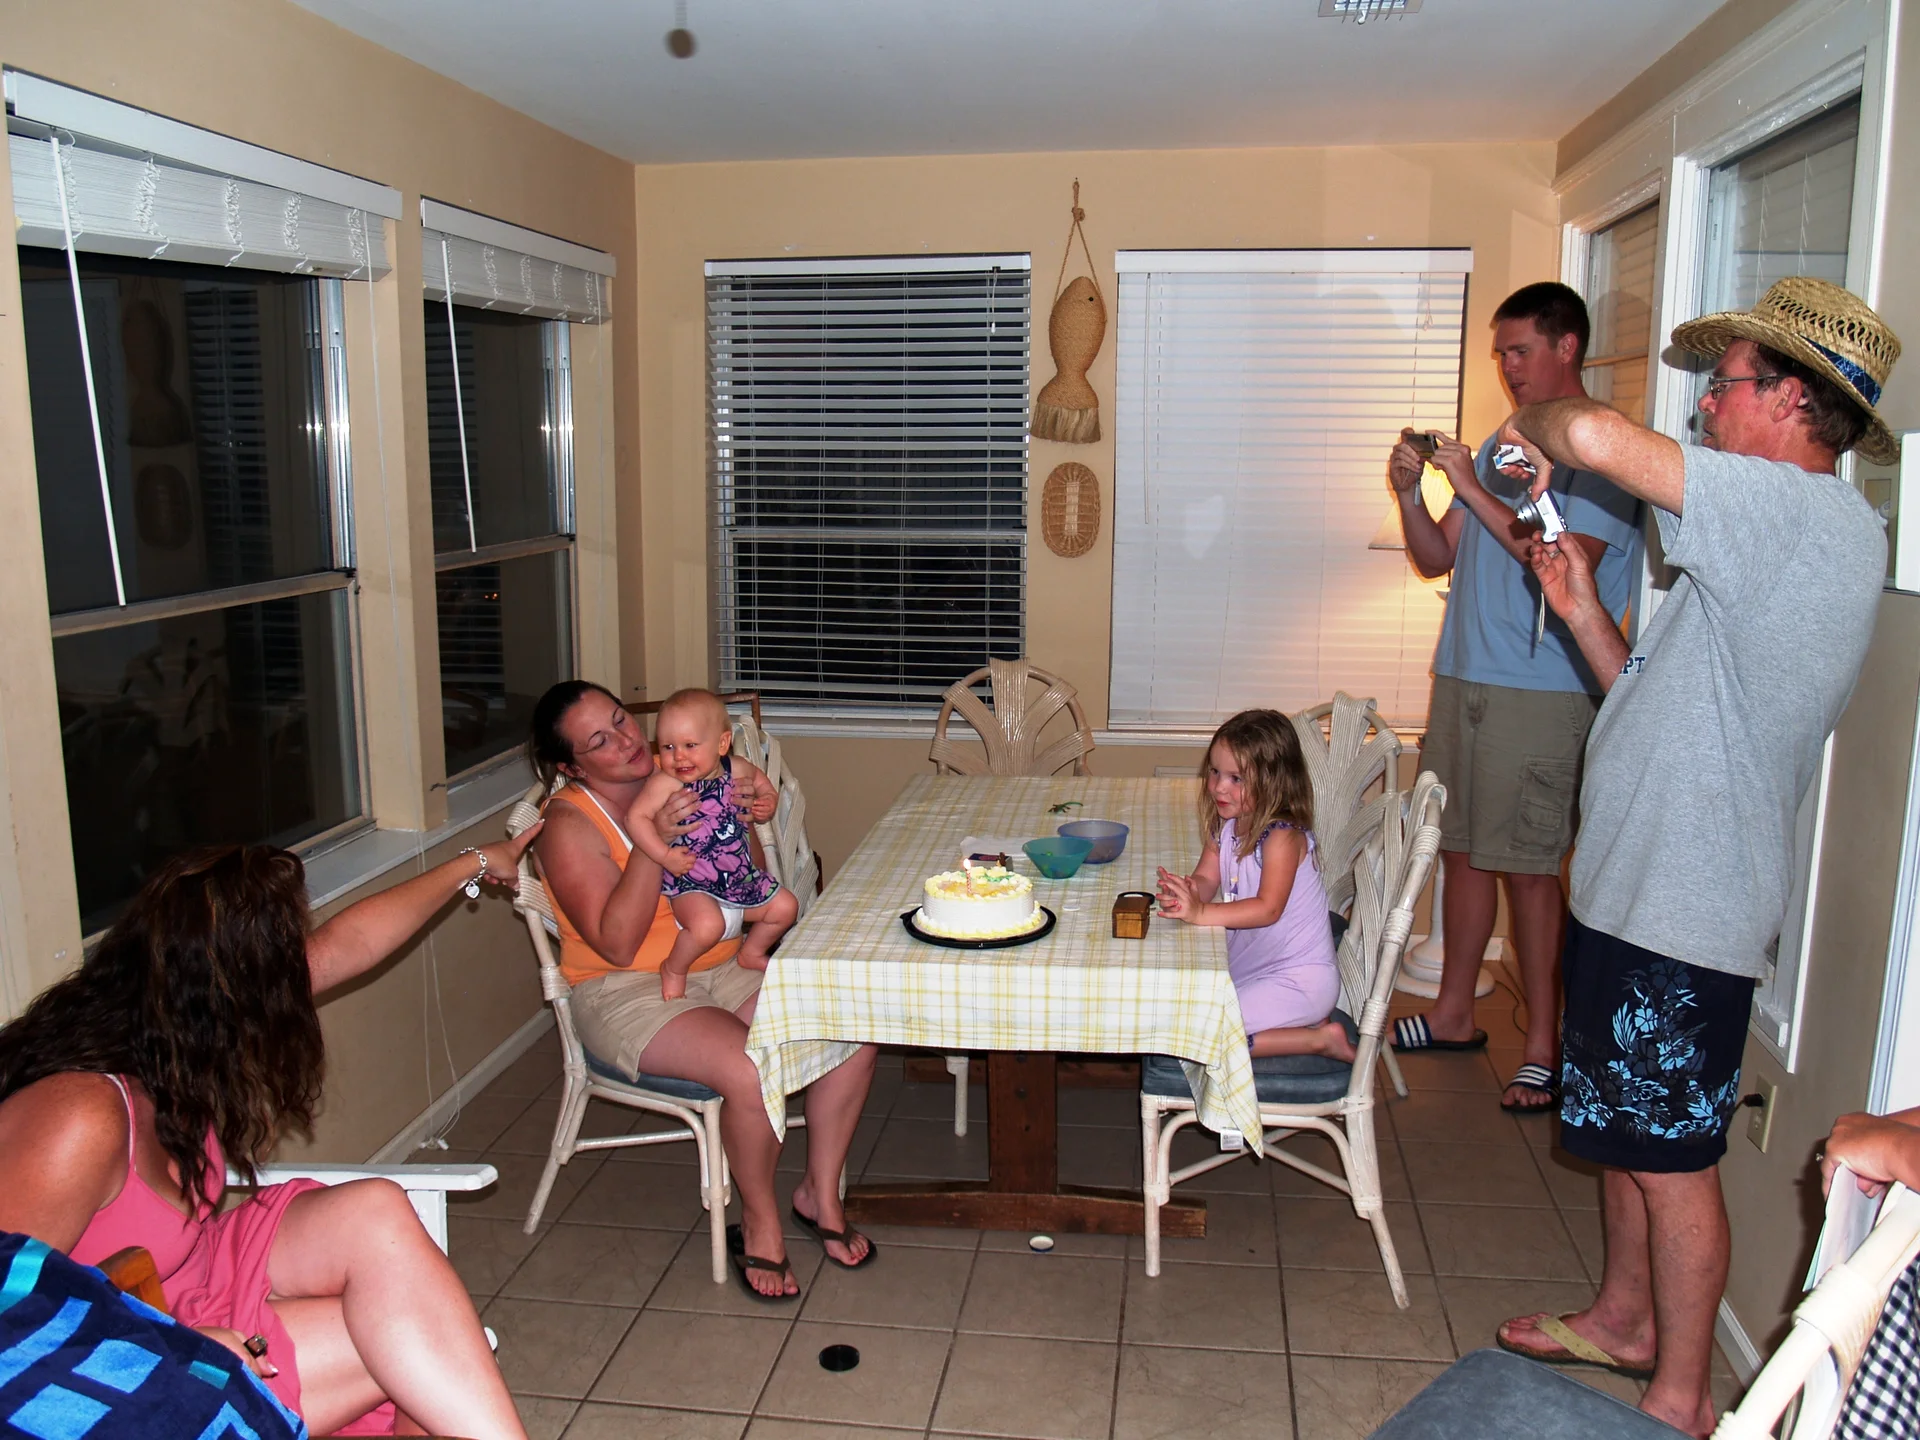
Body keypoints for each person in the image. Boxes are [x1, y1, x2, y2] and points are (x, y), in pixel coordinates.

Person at [1492, 276, 1898, 1437]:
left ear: (1792, 398)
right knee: (1628, 1139)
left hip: (1686, 908)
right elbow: (1649, 696)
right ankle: (1626, 1321)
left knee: (1672, 1161)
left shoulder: (1800, 515)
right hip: (1633, 891)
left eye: (1723, 385)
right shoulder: (1764, 545)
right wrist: (1582, 608)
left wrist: (1536, 417)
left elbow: (1590, 435)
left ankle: (1682, 1400)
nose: (1706, 406)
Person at [0, 837, 543, 1439]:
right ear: (220, 989)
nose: (297, 984)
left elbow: (352, 943)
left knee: (378, 1216)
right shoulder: (81, 1115)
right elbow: (10, 1314)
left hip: (202, 1272)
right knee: (415, 1349)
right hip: (123, 1344)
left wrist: (476, 861)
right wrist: (176, 1345)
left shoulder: (174, 1028)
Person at [527, 680, 878, 1302]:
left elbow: (750, 881)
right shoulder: (567, 825)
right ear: (571, 766)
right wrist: (655, 844)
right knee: (749, 1067)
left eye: (620, 720)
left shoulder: (691, 773)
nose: (626, 742)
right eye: (598, 741)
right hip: (626, 989)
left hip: (722, 960)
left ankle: (818, 1194)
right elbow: (616, 945)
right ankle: (760, 1221)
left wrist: (741, 819)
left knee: (850, 1025)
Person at [1385, 283, 1643, 1116]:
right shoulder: (1506, 444)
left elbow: (1556, 558)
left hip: (1543, 687)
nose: (1508, 367)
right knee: (1461, 852)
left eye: (1521, 350)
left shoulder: (1602, 451)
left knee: (1531, 869)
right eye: (1501, 353)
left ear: (1568, 346)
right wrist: (1412, 495)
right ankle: (1453, 1015)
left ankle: (1544, 1049)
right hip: (1465, 674)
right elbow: (1437, 557)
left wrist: (1471, 484)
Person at [1157, 710, 1352, 1062]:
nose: (1219, 787)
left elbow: (1268, 908)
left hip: (1300, 981)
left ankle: (1319, 1039)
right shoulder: (1226, 825)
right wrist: (1189, 892)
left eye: (1236, 778)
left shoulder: (1282, 837)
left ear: (1275, 782)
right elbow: (1207, 877)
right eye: (1215, 772)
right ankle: (1296, 1025)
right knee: (1188, 1009)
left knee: (1203, 1030)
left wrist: (1201, 913)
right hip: (1252, 968)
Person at [628, 688, 799, 999]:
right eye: (668, 747)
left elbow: (762, 782)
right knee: (708, 926)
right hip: (691, 881)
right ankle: (674, 968)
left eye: (690, 745)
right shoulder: (666, 783)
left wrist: (767, 801)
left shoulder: (737, 768)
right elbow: (635, 819)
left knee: (787, 907)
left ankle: (751, 951)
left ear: (722, 744)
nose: (678, 756)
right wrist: (664, 856)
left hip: (739, 877)